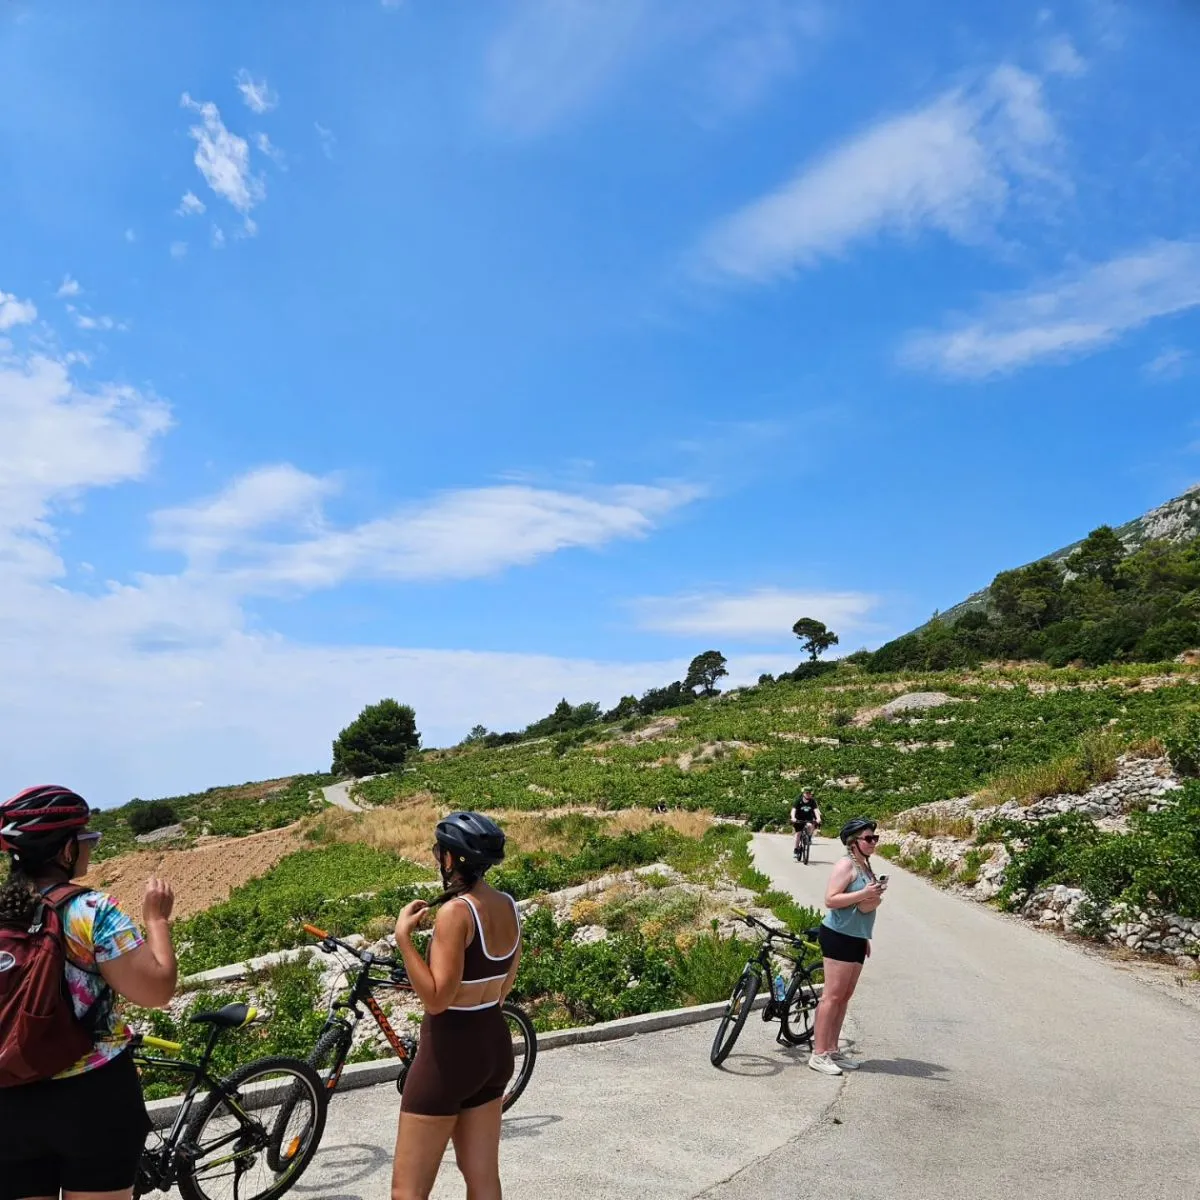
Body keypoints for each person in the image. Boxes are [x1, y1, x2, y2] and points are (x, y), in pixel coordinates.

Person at [0, 784, 178, 1200]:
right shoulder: (92, 912)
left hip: (8, 1097)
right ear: (65, 851)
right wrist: (157, 920)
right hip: (93, 1097)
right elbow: (156, 990)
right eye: (86, 840)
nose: (89, 848)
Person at [391, 811, 522, 1200]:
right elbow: (502, 989)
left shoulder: (455, 913)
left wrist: (403, 939)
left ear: (451, 860)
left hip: (449, 1053)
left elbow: (436, 999)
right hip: (493, 1047)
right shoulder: (508, 906)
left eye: (439, 852)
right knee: (482, 1179)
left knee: (407, 1192)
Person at [808, 817, 885, 1077]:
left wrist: (864, 938)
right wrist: (865, 894)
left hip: (855, 937)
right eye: (868, 838)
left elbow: (862, 908)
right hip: (838, 935)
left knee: (844, 997)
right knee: (832, 995)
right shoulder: (845, 864)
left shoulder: (865, 865)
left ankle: (832, 1049)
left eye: (875, 838)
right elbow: (831, 899)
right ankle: (818, 1054)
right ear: (853, 842)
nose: (873, 842)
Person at [790, 789, 821, 860]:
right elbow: (793, 810)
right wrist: (793, 817)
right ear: (803, 793)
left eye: (809, 793)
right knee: (798, 834)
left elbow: (816, 810)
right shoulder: (798, 800)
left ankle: (808, 837)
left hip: (808, 819)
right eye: (807, 793)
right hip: (798, 819)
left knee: (810, 826)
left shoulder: (812, 801)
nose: (808, 794)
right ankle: (796, 849)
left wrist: (818, 818)